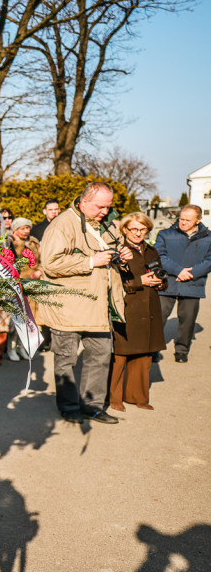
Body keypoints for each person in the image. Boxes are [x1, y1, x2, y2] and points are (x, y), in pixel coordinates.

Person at [37, 181, 133, 424]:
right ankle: (69, 407)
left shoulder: (106, 225)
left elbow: (113, 250)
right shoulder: (62, 224)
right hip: (70, 307)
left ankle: (93, 407)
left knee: (100, 357)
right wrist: (91, 261)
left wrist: (123, 255)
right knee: (66, 359)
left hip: (99, 307)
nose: (105, 211)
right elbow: (51, 264)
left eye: (108, 207)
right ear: (85, 201)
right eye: (101, 206)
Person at [110, 213, 167, 410]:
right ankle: (114, 398)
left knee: (143, 354)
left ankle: (138, 397)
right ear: (124, 229)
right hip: (127, 306)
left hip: (149, 306)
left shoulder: (151, 250)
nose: (138, 233)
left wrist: (160, 282)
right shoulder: (118, 251)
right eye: (133, 229)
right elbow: (113, 282)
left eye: (142, 229)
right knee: (121, 355)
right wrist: (139, 282)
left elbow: (161, 274)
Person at [154, 204, 211, 363]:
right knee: (158, 317)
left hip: (193, 284)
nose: (183, 222)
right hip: (167, 282)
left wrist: (191, 274)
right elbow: (159, 255)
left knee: (188, 320)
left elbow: (209, 260)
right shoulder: (165, 234)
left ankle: (181, 350)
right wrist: (178, 271)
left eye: (188, 220)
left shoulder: (209, 237)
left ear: (198, 220)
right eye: (181, 219)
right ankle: (153, 350)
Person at [5, 217, 42, 361]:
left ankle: (22, 347)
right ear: (15, 230)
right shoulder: (11, 242)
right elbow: (12, 259)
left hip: (32, 284)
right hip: (17, 283)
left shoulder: (34, 242)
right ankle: (11, 348)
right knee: (16, 319)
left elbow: (40, 259)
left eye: (28, 228)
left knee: (29, 319)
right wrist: (18, 242)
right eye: (22, 228)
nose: (26, 231)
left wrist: (39, 270)